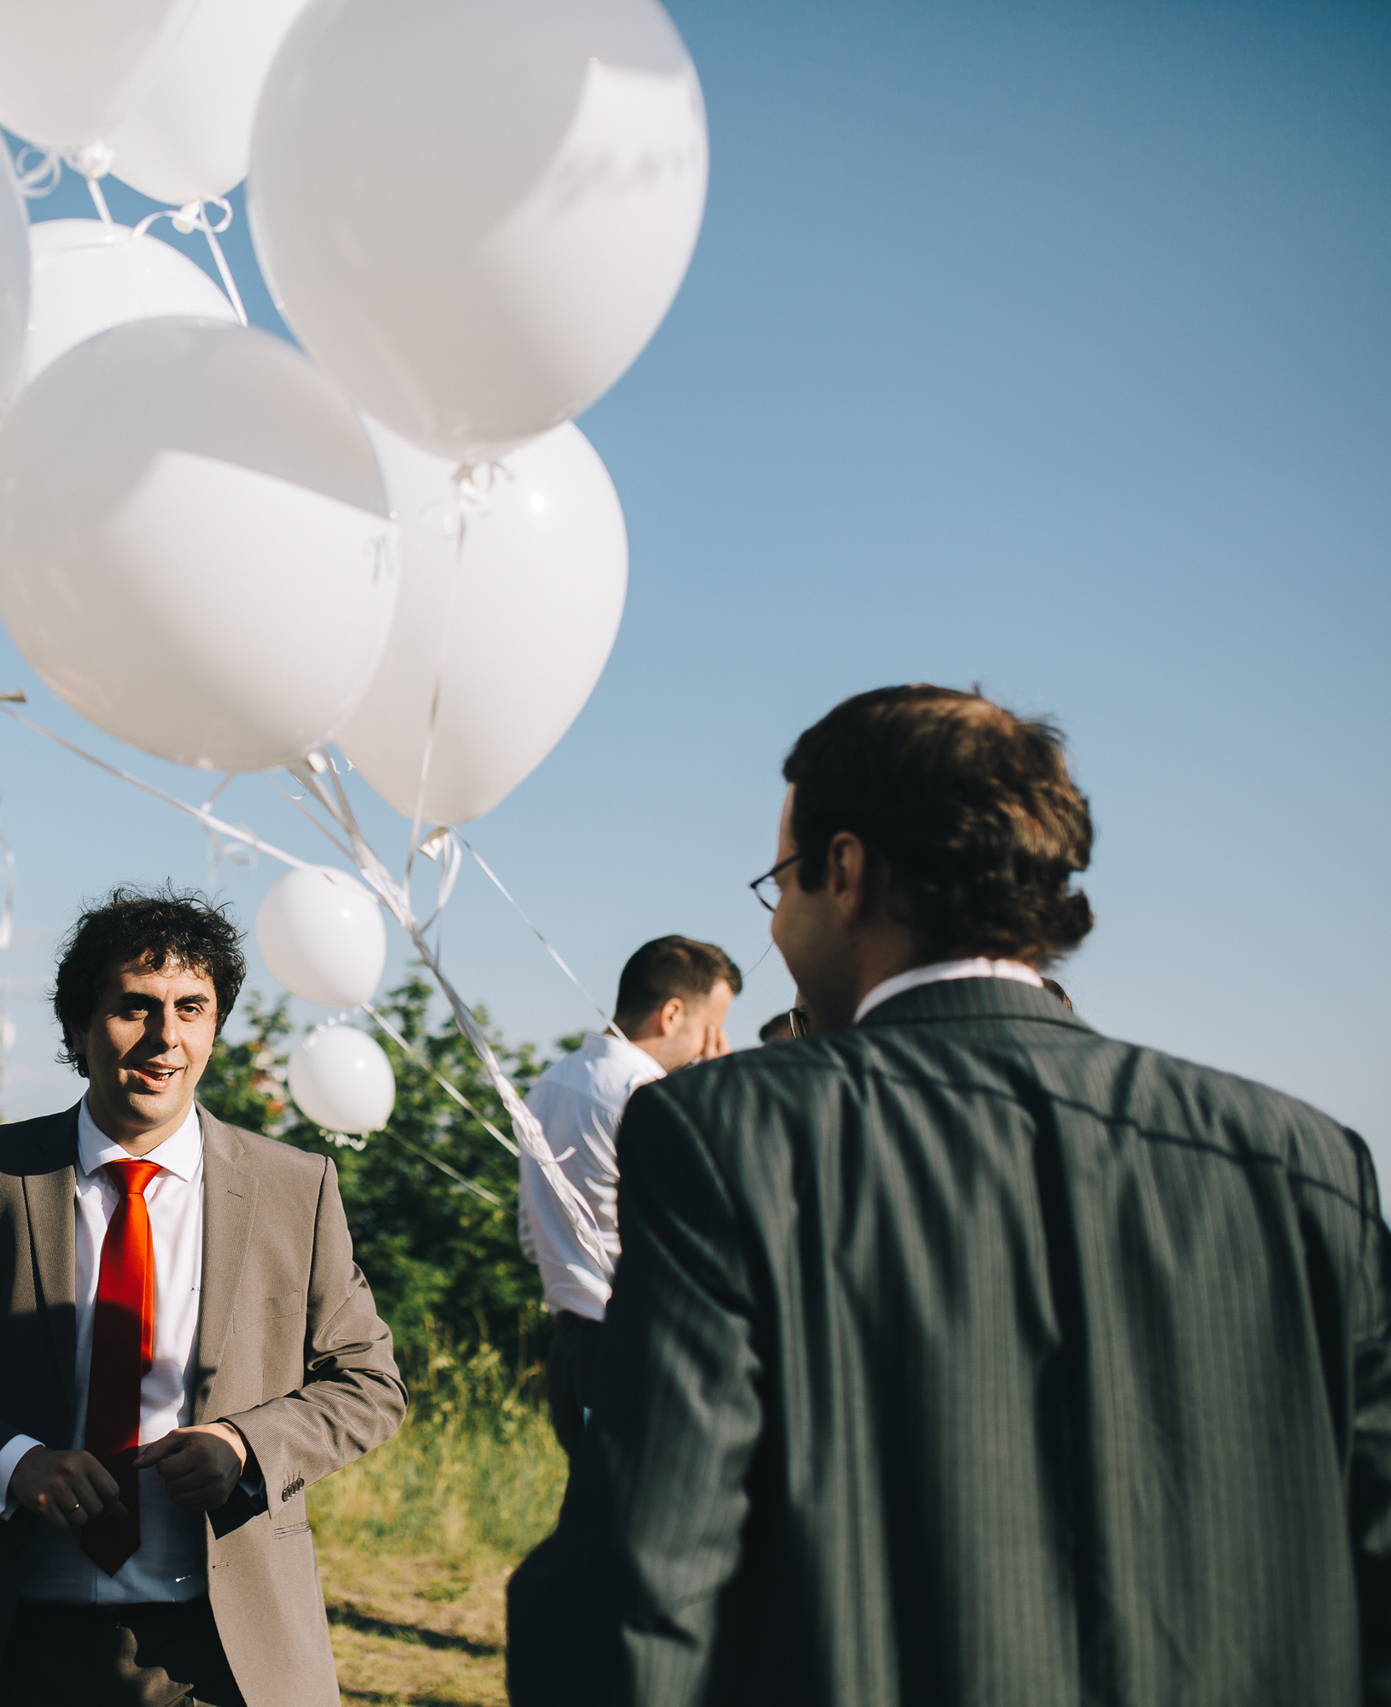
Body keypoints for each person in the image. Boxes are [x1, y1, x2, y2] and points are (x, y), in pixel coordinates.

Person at [507, 685, 1390, 1706]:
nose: (778, 920)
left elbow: (636, 1601)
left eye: (778, 883)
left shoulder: (727, 1134)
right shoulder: (1309, 1164)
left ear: (844, 872)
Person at [0, 887, 408, 1707]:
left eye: (191, 1008)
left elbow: (369, 1382)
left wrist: (244, 1444)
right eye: (135, 1006)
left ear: (215, 1026)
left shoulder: (296, 1188)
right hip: (18, 1642)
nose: (165, 1035)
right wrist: (13, 1462)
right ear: (79, 1026)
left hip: (227, 1653)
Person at [518, 937, 738, 1456]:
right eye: (711, 1028)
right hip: (632, 1344)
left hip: (569, 1346)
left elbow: (530, 1235)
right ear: (672, 1014)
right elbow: (706, 1229)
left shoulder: (548, 1084)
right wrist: (717, 1095)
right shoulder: (650, 1097)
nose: (711, 1045)